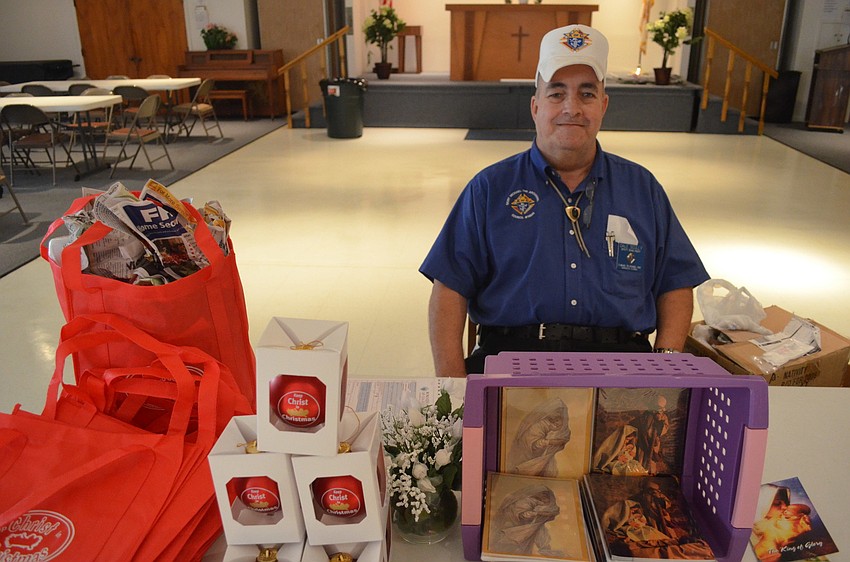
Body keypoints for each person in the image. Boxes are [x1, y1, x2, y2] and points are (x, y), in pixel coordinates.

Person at [419, 24, 710, 376]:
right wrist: (455, 392)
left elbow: (675, 284)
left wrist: (663, 370)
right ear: (535, 105)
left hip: (622, 368)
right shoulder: (489, 189)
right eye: (557, 94)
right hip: (510, 362)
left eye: (586, 94)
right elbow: (448, 291)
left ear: (603, 105)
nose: (572, 108)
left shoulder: (642, 188)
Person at [506, 397, 571, 477]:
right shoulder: (539, 426)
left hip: (546, 459)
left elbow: (564, 438)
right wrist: (548, 442)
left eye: (559, 419)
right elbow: (533, 443)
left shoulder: (562, 429)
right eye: (554, 420)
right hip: (531, 457)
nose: (556, 423)